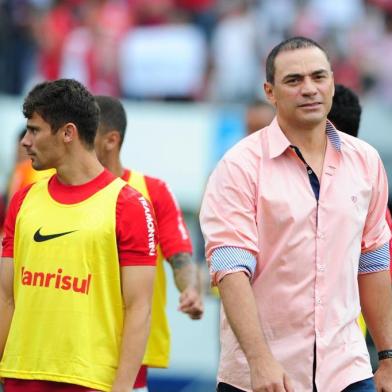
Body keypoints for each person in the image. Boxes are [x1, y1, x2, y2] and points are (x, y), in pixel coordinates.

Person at [200, 37, 392, 392]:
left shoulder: (366, 161)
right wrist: (260, 361)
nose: (309, 89)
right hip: (264, 376)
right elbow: (231, 271)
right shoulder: (238, 167)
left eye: (318, 77)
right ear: (270, 92)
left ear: (333, 82)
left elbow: (374, 262)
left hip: (347, 370)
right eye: (294, 80)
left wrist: (388, 357)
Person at [0, 79, 157, 392]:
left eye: (34, 130)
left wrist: (123, 387)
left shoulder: (128, 204)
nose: (25, 142)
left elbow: (140, 308)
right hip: (21, 375)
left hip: (90, 381)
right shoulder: (23, 199)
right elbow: (6, 297)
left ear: (68, 133)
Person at [94, 95, 204, 390]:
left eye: (83, 135)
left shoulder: (152, 192)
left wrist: (190, 289)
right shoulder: (51, 192)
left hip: (129, 360)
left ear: (110, 140)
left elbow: (179, 253)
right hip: (66, 354)